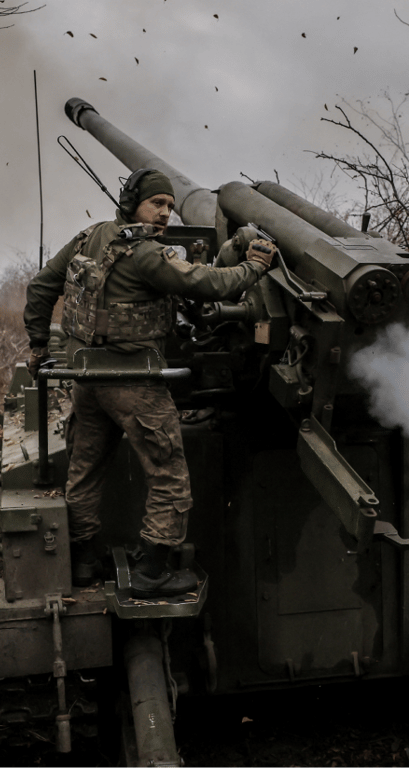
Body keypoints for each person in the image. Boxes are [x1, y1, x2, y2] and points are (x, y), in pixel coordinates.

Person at [23, 169, 277, 598]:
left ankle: (84, 560)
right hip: (135, 383)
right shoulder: (146, 255)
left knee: (85, 470)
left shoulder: (89, 238)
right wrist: (253, 267)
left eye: (169, 206)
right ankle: (153, 571)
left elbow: (41, 286)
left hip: (86, 377)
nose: (164, 213)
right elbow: (207, 284)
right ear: (132, 203)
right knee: (169, 474)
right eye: (156, 203)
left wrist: (37, 344)